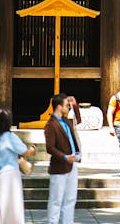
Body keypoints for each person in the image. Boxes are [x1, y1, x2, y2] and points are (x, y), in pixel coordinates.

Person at [0, 107, 37, 224]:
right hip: (10, 175)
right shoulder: (10, 137)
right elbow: (25, 152)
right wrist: (33, 149)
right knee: (13, 207)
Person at [44, 93, 81, 224]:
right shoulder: (51, 125)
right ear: (59, 107)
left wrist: (74, 104)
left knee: (71, 199)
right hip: (60, 166)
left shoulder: (66, 121)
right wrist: (65, 157)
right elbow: (50, 147)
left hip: (72, 164)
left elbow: (79, 120)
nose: (68, 108)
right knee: (56, 200)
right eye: (67, 105)